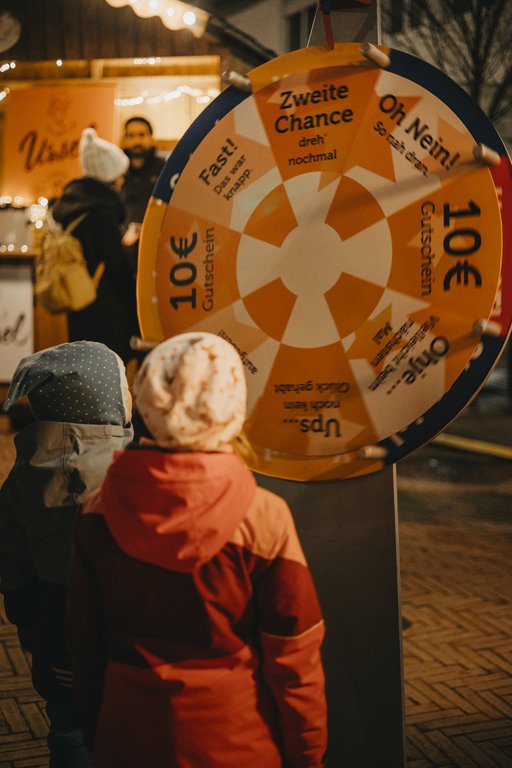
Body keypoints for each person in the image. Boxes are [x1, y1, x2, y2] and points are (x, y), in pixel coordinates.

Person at [68, 332, 327, 768]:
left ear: (147, 400)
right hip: (235, 739)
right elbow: (294, 659)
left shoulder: (97, 511)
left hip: (127, 736)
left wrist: (99, 732)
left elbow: (84, 643)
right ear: (232, 405)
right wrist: (308, 754)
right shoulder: (264, 517)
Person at [0, 341, 134, 768]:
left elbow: (11, 562)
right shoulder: (133, 472)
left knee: (69, 725)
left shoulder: (22, 476)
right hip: (123, 624)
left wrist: (28, 618)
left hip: (54, 620)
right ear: (104, 399)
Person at [51, 128, 133, 362]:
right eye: (119, 174)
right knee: (107, 367)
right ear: (108, 177)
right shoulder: (102, 212)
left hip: (79, 298)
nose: (122, 180)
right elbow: (114, 263)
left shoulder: (74, 205)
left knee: (84, 365)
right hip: (105, 306)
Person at [119, 116, 166, 340]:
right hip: (122, 265)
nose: (136, 140)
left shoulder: (164, 170)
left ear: (151, 137)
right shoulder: (119, 173)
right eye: (131, 135)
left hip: (155, 263)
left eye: (141, 134)